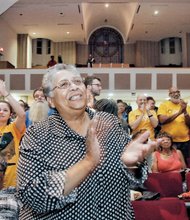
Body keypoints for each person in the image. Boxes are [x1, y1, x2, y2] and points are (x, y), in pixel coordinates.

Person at [17, 64, 160, 220]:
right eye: (64, 84)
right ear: (51, 100)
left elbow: (134, 176)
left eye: (78, 82)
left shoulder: (109, 123)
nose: (74, 87)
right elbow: (32, 196)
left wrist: (131, 165)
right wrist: (88, 162)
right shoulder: (38, 134)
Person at [0, 80, 26, 188]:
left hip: (10, 181)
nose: (1, 112)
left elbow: (22, 114)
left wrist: (5, 93)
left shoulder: (13, 128)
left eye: (5, 110)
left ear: (10, 114)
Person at [157, 86, 190, 162]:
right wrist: (179, 113)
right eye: (173, 92)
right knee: (172, 162)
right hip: (170, 142)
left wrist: (185, 112)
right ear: (169, 94)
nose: (176, 94)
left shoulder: (186, 106)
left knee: (185, 162)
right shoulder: (164, 105)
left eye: (178, 92)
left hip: (185, 141)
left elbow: (189, 124)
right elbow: (162, 120)